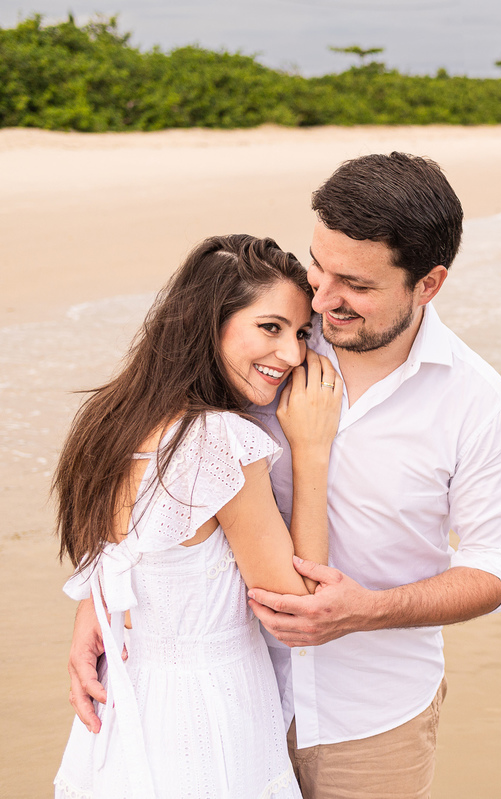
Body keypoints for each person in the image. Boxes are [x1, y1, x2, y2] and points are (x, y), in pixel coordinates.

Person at [69, 154, 501, 799]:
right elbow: (151, 459)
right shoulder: (270, 338)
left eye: (355, 285)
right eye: (319, 265)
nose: (323, 299)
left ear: (427, 284)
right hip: (225, 706)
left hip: (372, 721)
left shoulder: (477, 402)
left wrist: (370, 611)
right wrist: (106, 602)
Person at [54, 235, 344, 798]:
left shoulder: (107, 422)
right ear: (210, 322)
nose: (291, 355)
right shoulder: (216, 440)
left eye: (302, 334)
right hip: (207, 718)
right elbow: (300, 608)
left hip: (126, 701)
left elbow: (120, 568)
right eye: (271, 327)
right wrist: (312, 450)